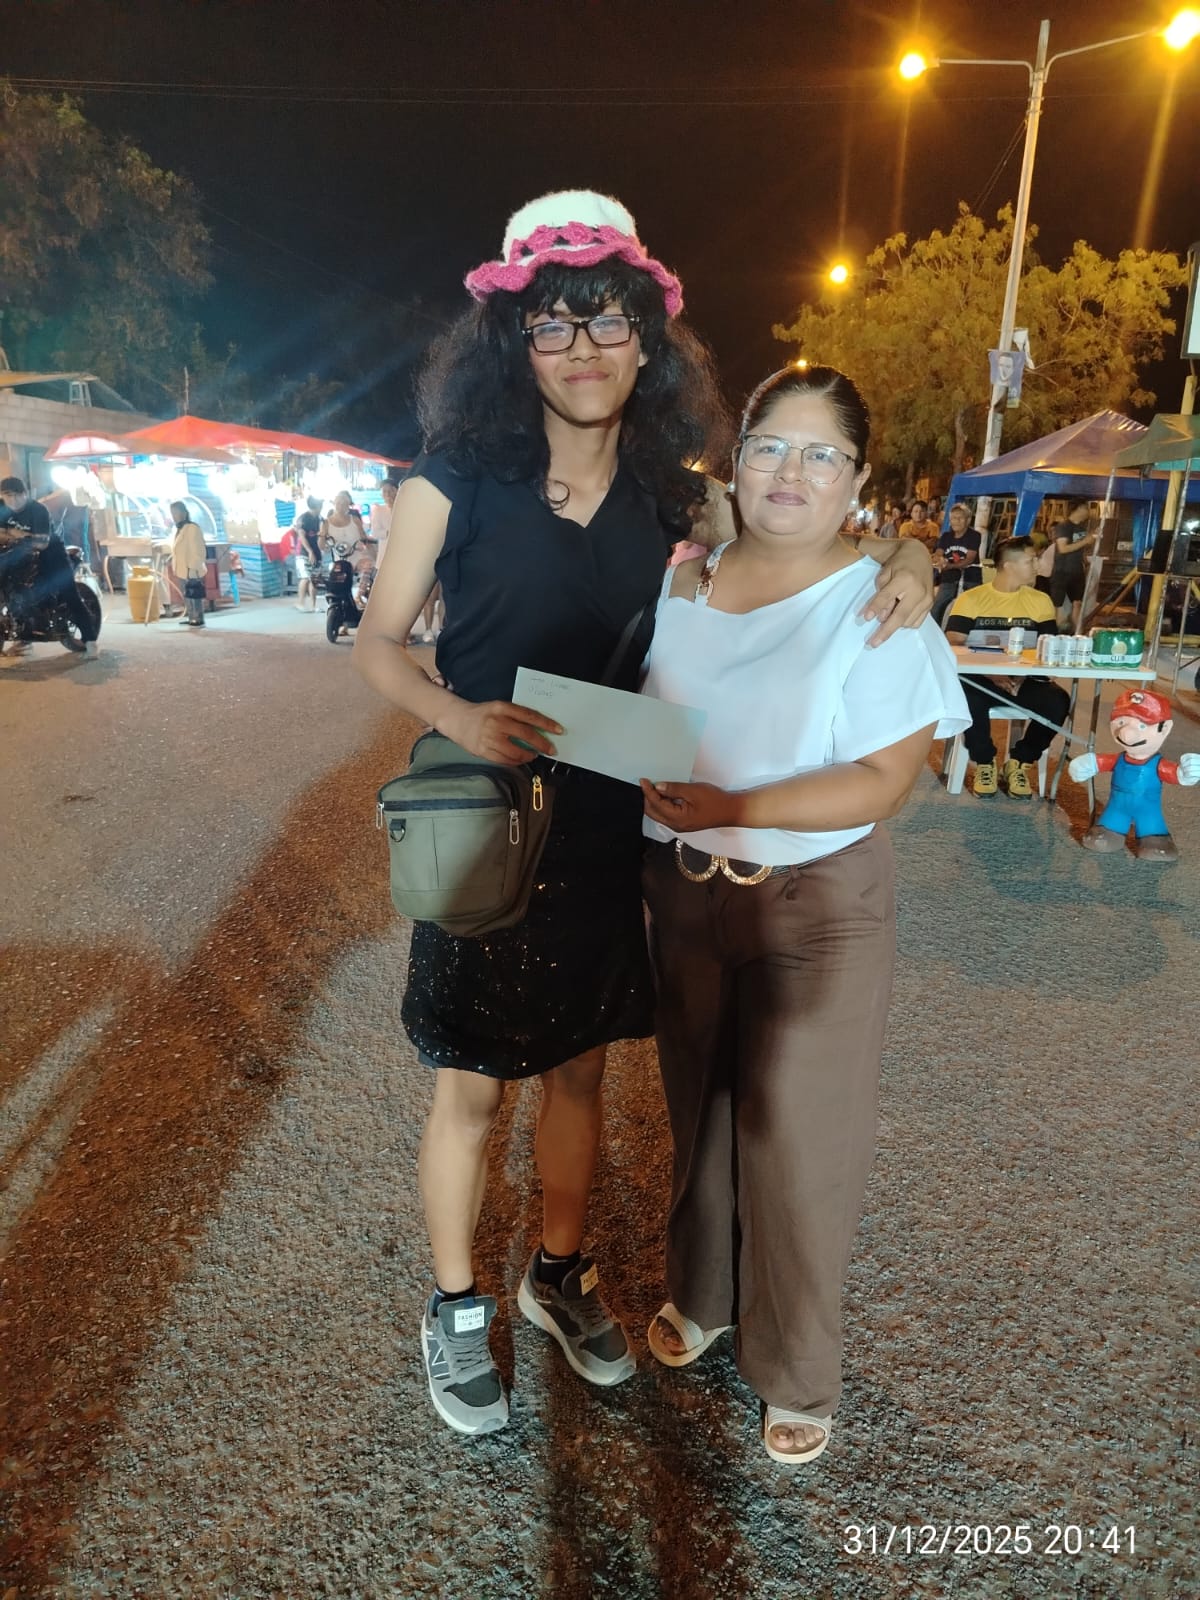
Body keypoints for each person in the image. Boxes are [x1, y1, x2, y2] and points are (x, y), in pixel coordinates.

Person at [352, 190, 935, 1438]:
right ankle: (454, 1307)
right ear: (513, 340)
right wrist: (456, 715)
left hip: (613, 827)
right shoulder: (448, 483)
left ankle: (557, 1275)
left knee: (578, 1078)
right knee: (469, 1086)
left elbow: (801, 532)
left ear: (645, 340)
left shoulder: (677, 502)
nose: (582, 347)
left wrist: (911, 558)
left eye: (607, 319)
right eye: (552, 322)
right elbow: (379, 643)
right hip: (486, 824)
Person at [637, 364, 968, 1465]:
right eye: (771, 446)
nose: (792, 472)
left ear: (858, 479)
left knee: (796, 1136)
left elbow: (881, 780)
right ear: (736, 462)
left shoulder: (880, 606)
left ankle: (797, 1366)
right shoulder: (684, 584)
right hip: (683, 887)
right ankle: (704, 1292)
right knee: (700, 1107)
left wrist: (738, 806)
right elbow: (653, 721)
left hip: (817, 902)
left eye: (823, 455)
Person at [944, 537, 1070, 798]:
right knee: (967, 695)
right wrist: (989, 672)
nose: (1037, 565)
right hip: (981, 679)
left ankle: (1019, 763)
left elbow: (1048, 647)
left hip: (1024, 680)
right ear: (1008, 566)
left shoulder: (1040, 601)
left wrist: (1026, 673)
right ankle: (984, 762)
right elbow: (953, 644)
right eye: (1030, 560)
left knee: (1057, 701)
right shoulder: (971, 599)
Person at [0, 476, 100, 657]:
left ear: (25, 494)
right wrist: (13, 536)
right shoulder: (2, 508)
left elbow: (42, 543)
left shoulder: (38, 510)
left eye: (16, 495)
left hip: (50, 555)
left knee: (68, 592)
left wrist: (14, 534)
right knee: (12, 591)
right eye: (7, 495)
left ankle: (91, 641)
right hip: (18, 554)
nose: (12, 500)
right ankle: (24, 639)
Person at [1049, 497, 1099, 631]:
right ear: (1079, 508)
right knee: (1057, 605)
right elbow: (1063, 548)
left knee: (1077, 603)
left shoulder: (1081, 528)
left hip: (1077, 571)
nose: (1088, 511)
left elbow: (1080, 547)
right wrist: (1085, 541)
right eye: (1086, 508)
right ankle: (1054, 632)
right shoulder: (1064, 526)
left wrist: (1091, 540)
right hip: (1062, 571)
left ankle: (1078, 632)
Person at [930, 501, 983, 626]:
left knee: (974, 607)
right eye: (953, 518)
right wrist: (938, 560)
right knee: (937, 606)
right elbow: (938, 553)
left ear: (968, 520)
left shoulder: (974, 536)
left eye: (960, 518)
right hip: (949, 578)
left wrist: (950, 566)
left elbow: (969, 558)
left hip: (971, 578)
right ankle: (933, 631)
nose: (956, 521)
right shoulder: (946, 536)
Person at [170, 501, 208, 627]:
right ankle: (191, 616)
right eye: (172, 513)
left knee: (194, 592)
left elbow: (198, 549)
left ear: (183, 513)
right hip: (182, 568)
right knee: (187, 593)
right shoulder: (179, 529)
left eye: (176, 513)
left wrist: (194, 567)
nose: (174, 516)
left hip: (191, 568)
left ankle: (198, 617)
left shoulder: (192, 528)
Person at [293, 496, 324, 612]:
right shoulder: (303, 519)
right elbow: (302, 537)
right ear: (317, 507)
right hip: (303, 553)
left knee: (314, 579)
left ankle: (313, 605)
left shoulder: (320, 519)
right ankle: (300, 603)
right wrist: (310, 551)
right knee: (305, 578)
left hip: (316, 552)